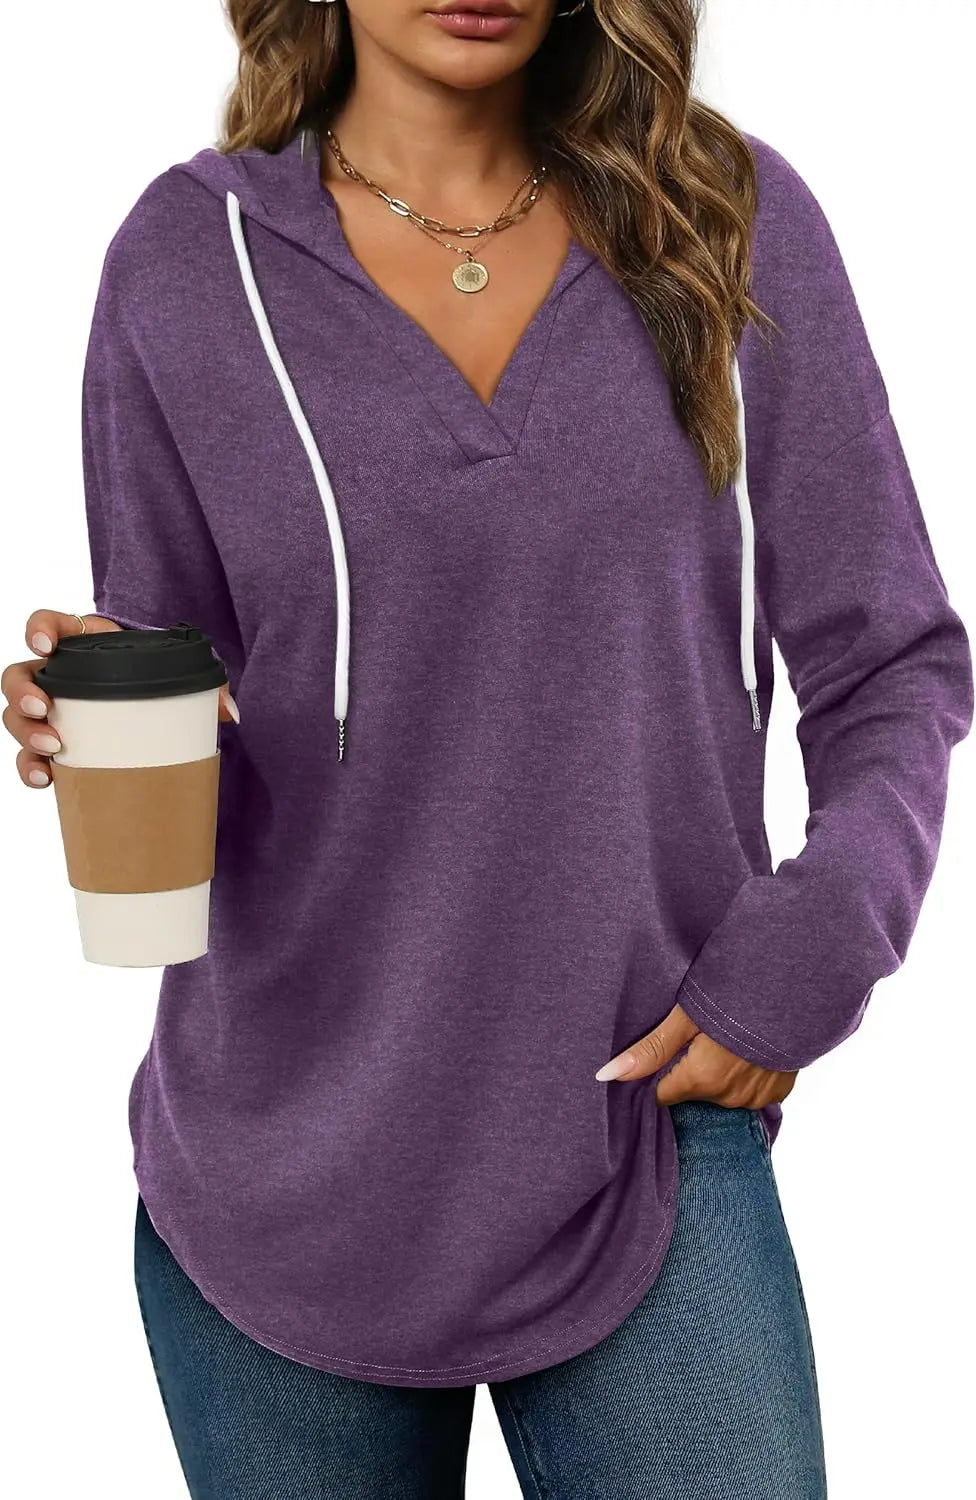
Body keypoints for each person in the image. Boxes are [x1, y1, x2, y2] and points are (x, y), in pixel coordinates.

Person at [4, 1, 972, 1495]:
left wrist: (817, 942)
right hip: (285, 1164)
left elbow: (890, 652)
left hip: (644, 1120)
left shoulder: (724, 218)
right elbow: (189, 676)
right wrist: (101, 705)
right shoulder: (191, 260)